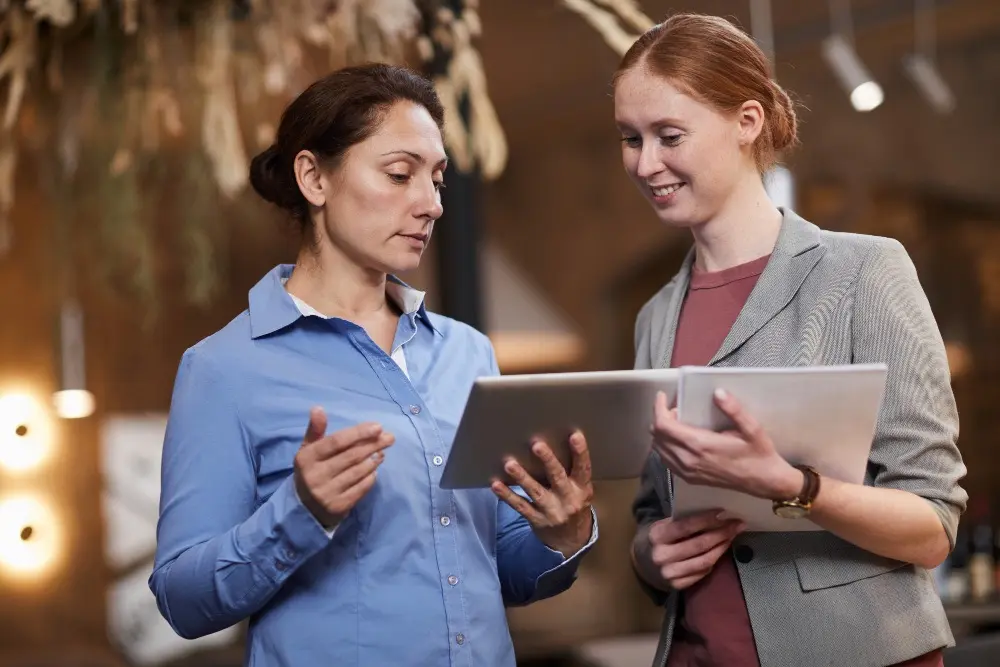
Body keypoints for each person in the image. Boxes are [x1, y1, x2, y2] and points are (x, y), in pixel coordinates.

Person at [149, 63, 598, 667]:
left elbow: (494, 567)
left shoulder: (468, 352)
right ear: (313, 177)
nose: (431, 205)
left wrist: (561, 536)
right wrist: (298, 514)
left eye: (437, 180)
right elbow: (183, 600)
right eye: (399, 174)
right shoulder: (223, 370)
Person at [615, 14, 967, 667]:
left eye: (669, 135)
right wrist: (650, 552)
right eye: (631, 138)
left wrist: (793, 485)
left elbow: (932, 526)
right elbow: (650, 510)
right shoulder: (655, 315)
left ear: (747, 121)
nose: (646, 162)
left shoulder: (864, 271)